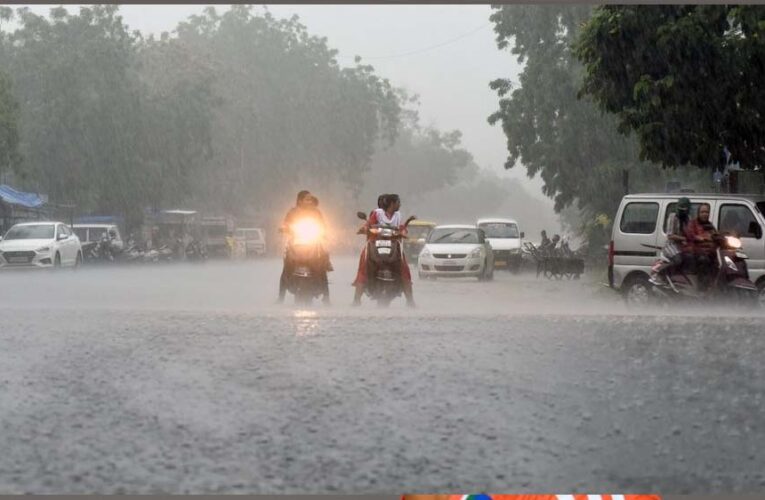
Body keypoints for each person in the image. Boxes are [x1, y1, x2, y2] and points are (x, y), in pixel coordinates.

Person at [352, 193, 415, 307]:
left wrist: (403, 232)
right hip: (374, 244)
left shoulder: (398, 215)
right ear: (392, 203)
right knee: (364, 265)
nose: (399, 205)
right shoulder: (377, 213)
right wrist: (365, 229)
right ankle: (356, 299)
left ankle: (410, 301)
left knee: (404, 268)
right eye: (398, 202)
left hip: (393, 245)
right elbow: (369, 224)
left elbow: (401, 228)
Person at [278, 190, 331, 304]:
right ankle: (280, 297)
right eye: (307, 199)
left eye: (310, 199)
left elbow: (323, 225)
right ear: (300, 200)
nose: (309, 201)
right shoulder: (292, 212)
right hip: (295, 242)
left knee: (322, 265)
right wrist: (283, 228)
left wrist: (323, 232)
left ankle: (326, 296)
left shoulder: (316, 212)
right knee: (287, 266)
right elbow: (285, 224)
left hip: (313, 242)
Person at [654, 197, 692, 285]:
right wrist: (683, 238)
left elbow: (689, 232)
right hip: (671, 245)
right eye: (681, 208)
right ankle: (660, 273)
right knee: (678, 260)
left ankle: (678, 279)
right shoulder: (673, 217)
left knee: (692, 258)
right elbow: (670, 235)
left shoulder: (688, 218)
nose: (683, 211)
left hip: (682, 245)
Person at [685, 202, 717, 291]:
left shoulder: (709, 225)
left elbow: (716, 234)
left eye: (706, 212)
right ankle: (701, 290)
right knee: (704, 260)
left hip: (710, 252)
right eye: (702, 212)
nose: (704, 214)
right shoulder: (693, 223)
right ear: (698, 213)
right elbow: (689, 234)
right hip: (696, 252)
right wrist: (699, 238)